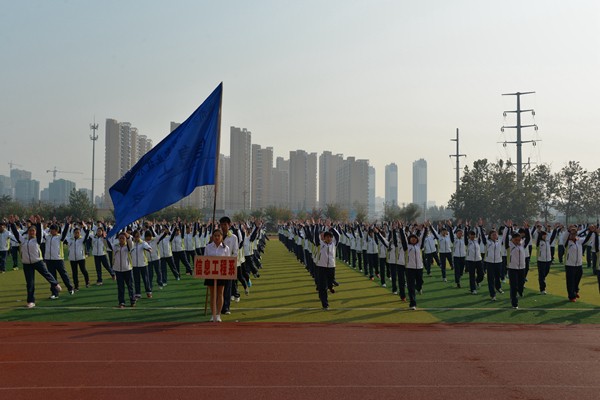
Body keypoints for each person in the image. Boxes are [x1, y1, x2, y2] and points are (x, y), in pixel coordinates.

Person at [8, 215, 62, 308]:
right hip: (27, 264)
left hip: (37, 262)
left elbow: (40, 233)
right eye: (30, 231)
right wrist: (12, 224)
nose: (31, 232)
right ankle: (31, 301)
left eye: (33, 231)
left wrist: (38, 222)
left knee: (47, 274)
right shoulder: (23, 240)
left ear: (35, 232)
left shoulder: (37, 240)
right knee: (30, 283)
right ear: (28, 232)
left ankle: (55, 284)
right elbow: (16, 234)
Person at [204, 228, 230, 322]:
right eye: (215, 236)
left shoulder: (226, 248)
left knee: (220, 293)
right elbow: (205, 260)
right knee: (212, 294)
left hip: (221, 273)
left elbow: (228, 261)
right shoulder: (208, 247)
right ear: (212, 237)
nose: (217, 237)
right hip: (211, 273)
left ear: (222, 237)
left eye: (219, 235)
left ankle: (218, 314)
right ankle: (213, 314)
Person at [43, 220, 75, 297]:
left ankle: (70, 288)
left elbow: (64, 233)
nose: (51, 231)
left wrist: (67, 224)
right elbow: (41, 232)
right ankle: (54, 293)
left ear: (56, 231)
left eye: (53, 230)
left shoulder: (60, 237)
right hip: (49, 260)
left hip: (58, 259)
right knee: (52, 277)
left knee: (63, 274)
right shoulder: (47, 237)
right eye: (50, 230)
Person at [505, 221, 530, 309]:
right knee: (513, 286)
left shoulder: (522, 245)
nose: (518, 241)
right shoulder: (509, 245)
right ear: (512, 239)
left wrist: (527, 229)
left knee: (521, 284)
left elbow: (528, 239)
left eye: (519, 240)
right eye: (516, 240)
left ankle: (520, 291)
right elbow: (505, 237)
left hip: (522, 268)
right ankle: (514, 303)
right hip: (512, 268)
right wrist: (507, 228)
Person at [400, 222, 425, 310]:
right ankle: (412, 303)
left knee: (420, 283)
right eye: (411, 238)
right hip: (409, 269)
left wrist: (425, 227)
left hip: (419, 268)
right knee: (411, 287)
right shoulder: (407, 246)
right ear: (409, 240)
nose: (413, 239)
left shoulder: (419, 246)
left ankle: (419, 287)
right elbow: (403, 239)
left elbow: (423, 237)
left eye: (415, 238)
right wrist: (400, 229)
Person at [314, 221, 339, 311]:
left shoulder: (334, 244)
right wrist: (316, 225)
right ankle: (325, 304)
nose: (329, 239)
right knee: (322, 286)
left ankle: (330, 286)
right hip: (321, 267)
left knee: (330, 282)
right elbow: (316, 237)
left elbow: (338, 236)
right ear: (324, 238)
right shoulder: (320, 244)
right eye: (327, 237)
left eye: (330, 237)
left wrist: (330, 227)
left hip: (332, 267)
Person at [220, 216, 239, 316]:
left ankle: (226, 307)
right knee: (219, 288)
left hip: (228, 265)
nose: (223, 227)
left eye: (225, 225)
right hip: (218, 266)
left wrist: (231, 262)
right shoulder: (217, 235)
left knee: (227, 288)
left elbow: (235, 252)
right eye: (221, 225)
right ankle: (218, 306)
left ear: (229, 225)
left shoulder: (233, 237)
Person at [112, 231, 136, 308]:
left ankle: (132, 300)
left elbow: (130, 243)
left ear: (125, 239)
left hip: (127, 269)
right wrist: (104, 237)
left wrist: (127, 236)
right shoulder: (115, 246)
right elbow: (107, 245)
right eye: (120, 238)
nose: (121, 239)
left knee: (130, 286)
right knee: (120, 287)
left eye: (123, 238)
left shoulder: (128, 246)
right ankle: (121, 302)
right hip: (118, 270)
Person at [65, 223, 91, 290]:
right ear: (73, 233)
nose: (77, 234)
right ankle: (76, 286)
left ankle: (87, 282)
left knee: (83, 270)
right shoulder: (70, 239)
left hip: (81, 258)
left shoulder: (82, 239)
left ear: (80, 233)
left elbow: (86, 235)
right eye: (75, 233)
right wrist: (68, 226)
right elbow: (64, 236)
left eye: (78, 232)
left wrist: (87, 228)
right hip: (72, 258)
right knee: (74, 273)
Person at [130, 230, 153, 299]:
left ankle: (148, 292)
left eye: (138, 236)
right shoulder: (131, 244)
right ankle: (138, 293)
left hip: (143, 264)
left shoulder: (143, 243)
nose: (137, 238)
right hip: (134, 265)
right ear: (133, 237)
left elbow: (149, 247)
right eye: (136, 236)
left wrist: (149, 249)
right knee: (136, 280)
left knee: (146, 279)